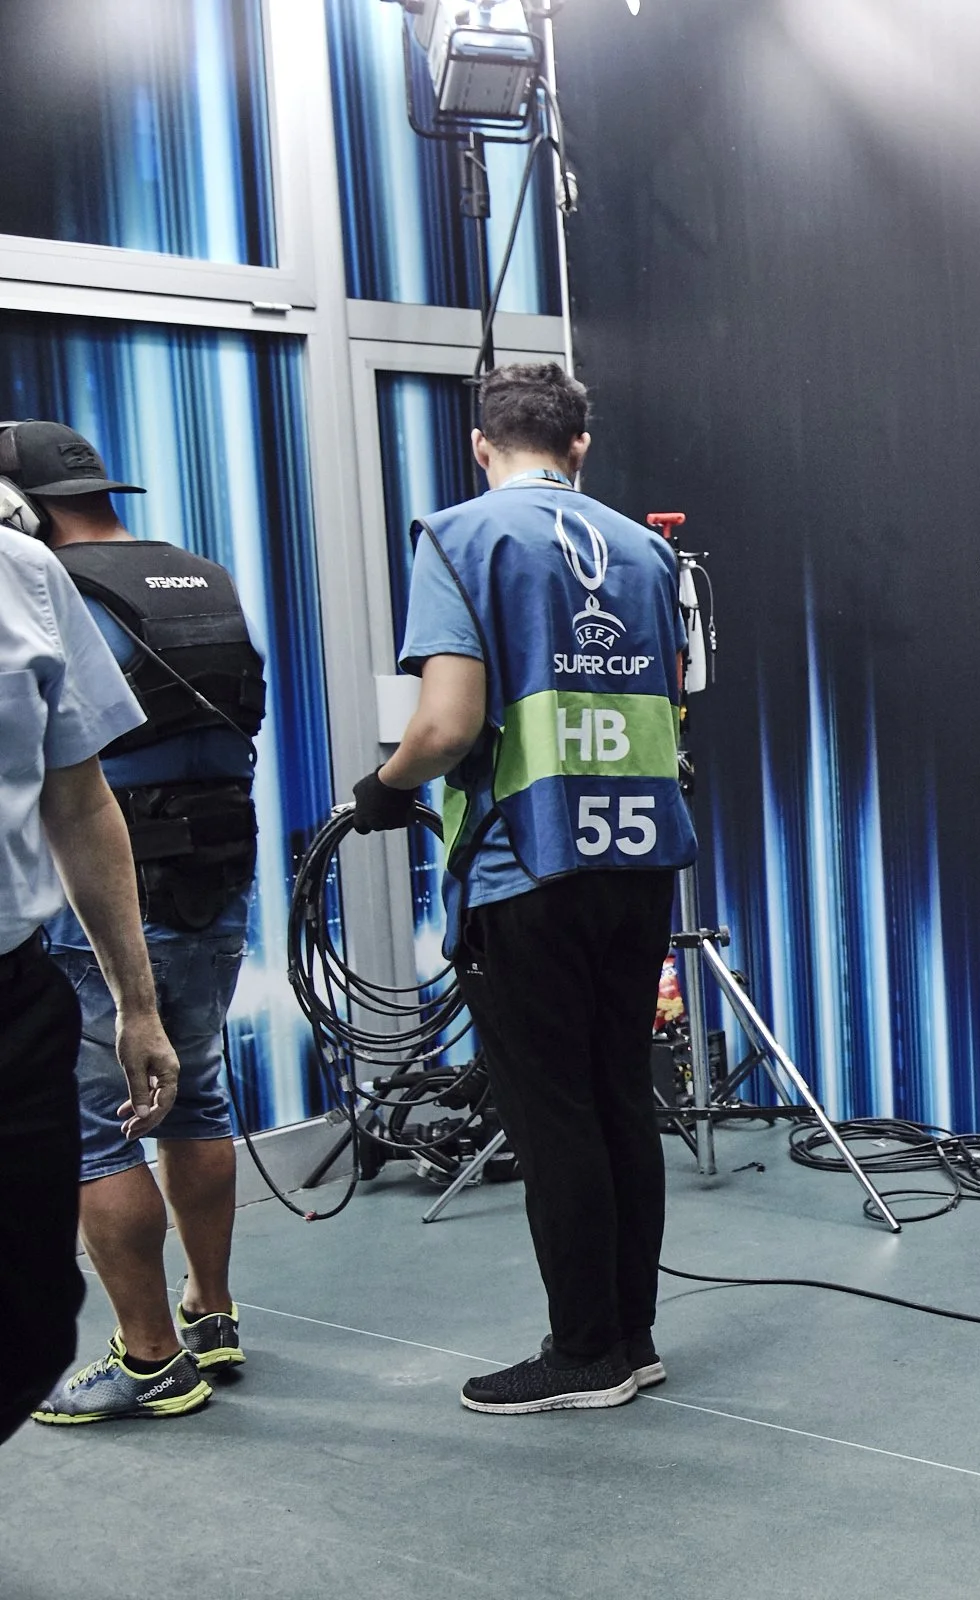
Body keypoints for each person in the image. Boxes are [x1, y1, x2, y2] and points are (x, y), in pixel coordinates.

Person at [348, 362, 696, 1415]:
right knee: (619, 1095)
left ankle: (583, 1350)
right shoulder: (647, 550)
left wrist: (381, 786)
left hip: (524, 869)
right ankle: (630, 1336)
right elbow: (674, 709)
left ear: (480, 443)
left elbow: (448, 723)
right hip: (637, 866)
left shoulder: (459, 538)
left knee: (552, 1117)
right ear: (580, 445)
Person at [4, 424, 265, 1426]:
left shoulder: (44, 584)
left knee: (100, 1130)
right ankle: (214, 1309)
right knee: (194, 1094)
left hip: (103, 898)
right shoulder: (201, 577)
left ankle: (151, 1357)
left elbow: (70, 783)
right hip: (217, 875)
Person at [0, 496, 182, 1443]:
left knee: (29, 1323)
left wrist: (135, 1002)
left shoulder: (26, 576)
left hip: (13, 995)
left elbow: (80, 802)